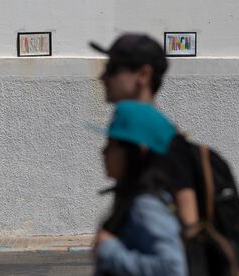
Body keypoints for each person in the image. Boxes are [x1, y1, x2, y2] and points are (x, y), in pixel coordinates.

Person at [90, 33, 199, 230]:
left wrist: (109, 249)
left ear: (143, 75)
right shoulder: (134, 130)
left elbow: (188, 238)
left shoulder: (164, 140)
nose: (102, 77)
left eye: (112, 69)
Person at [93, 100, 187, 276]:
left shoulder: (145, 204)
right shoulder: (133, 196)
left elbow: (172, 268)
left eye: (112, 145)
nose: (104, 152)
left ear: (134, 151)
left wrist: (109, 250)